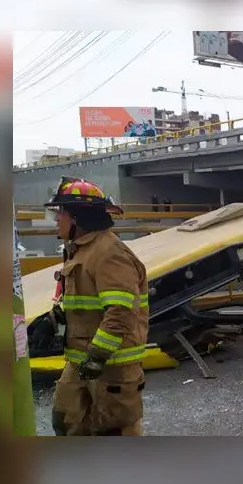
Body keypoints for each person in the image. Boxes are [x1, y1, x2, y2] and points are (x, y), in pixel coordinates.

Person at [39, 176, 150, 436]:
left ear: (77, 217)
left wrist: (97, 355)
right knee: (67, 422)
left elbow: (121, 311)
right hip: (81, 363)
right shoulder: (82, 250)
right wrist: (51, 321)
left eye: (61, 213)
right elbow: (82, 300)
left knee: (113, 431)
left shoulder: (109, 254)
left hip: (110, 368)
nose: (57, 219)